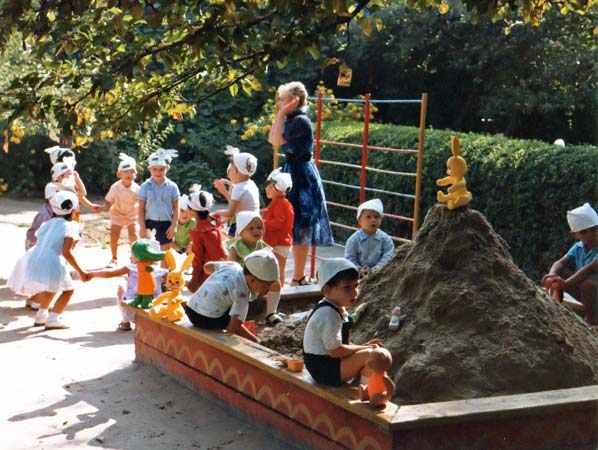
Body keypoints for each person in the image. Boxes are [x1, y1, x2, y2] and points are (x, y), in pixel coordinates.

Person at [268, 81, 334, 286]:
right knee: (291, 222)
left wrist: (280, 114)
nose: (280, 103)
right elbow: (273, 139)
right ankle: (294, 276)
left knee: (302, 223)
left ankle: (298, 276)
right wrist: (281, 113)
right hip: (292, 170)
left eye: (284, 99)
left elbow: (277, 141)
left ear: (295, 101)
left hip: (302, 175)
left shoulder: (300, 121)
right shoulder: (290, 118)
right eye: (280, 99)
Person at [303, 258, 383, 386]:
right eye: (347, 287)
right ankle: (365, 392)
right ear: (328, 290)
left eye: (356, 285)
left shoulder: (337, 309)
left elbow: (341, 344)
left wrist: (362, 346)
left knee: (371, 353)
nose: (355, 292)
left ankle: (362, 387)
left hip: (331, 363)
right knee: (371, 355)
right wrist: (365, 348)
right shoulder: (328, 314)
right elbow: (335, 351)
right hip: (324, 370)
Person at [24, 191, 89, 329]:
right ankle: (53, 318)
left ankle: (41, 316)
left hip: (37, 258)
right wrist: (80, 271)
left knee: (51, 288)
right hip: (53, 262)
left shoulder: (47, 224)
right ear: (74, 209)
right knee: (68, 290)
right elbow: (67, 252)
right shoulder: (71, 227)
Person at [184, 249, 279, 342]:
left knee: (228, 301)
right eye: (265, 286)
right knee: (237, 314)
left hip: (190, 307)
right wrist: (257, 341)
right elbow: (234, 328)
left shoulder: (232, 265)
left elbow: (207, 267)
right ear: (252, 280)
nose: (268, 289)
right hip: (206, 320)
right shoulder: (242, 294)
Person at [543, 202, 598, 325]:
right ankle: (557, 308)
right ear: (574, 235)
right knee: (558, 277)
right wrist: (552, 275)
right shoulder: (578, 247)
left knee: (586, 284)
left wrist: (566, 283)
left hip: (593, 292)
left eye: (594, 229)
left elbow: (590, 269)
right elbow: (561, 262)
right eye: (584, 232)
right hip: (588, 296)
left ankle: (592, 319)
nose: (591, 234)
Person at [226, 211, 283, 324]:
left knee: (276, 283)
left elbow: (271, 264)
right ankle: (231, 315)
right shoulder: (236, 247)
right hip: (243, 280)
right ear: (241, 231)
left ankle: (271, 312)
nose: (256, 231)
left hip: (260, 280)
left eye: (259, 227)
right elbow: (231, 265)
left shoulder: (263, 246)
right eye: (251, 228)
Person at [88, 254, 168, 331]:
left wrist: (91, 274)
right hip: (155, 314)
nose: (130, 257)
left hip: (133, 312)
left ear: (139, 257)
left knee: (121, 287)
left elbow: (108, 273)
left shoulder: (131, 268)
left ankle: (125, 322)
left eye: (132, 255)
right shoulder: (161, 271)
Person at [186, 185, 228, 293]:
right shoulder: (216, 221)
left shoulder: (199, 232)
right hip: (226, 269)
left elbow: (198, 258)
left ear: (193, 211)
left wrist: (194, 279)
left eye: (188, 207)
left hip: (211, 273)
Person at [137, 148, 180, 250]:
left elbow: (176, 207)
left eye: (161, 169)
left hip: (166, 224)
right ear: (149, 169)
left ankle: (164, 267)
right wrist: (142, 227)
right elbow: (141, 208)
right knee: (150, 252)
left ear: (167, 168)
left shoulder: (172, 187)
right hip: (150, 223)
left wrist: (174, 225)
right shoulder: (145, 186)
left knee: (165, 252)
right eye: (155, 169)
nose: (158, 172)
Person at [213, 145, 259, 236]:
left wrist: (216, 212)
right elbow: (238, 207)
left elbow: (230, 213)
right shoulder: (251, 184)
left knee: (237, 249)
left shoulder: (238, 189)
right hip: (256, 225)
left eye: (231, 169)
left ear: (236, 170)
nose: (228, 172)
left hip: (245, 228)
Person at [103, 153, 140, 267]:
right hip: (117, 213)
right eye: (126, 171)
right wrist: (103, 209)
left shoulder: (137, 188)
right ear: (119, 174)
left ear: (136, 174)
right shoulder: (115, 187)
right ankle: (114, 258)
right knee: (114, 234)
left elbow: (141, 202)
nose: (129, 174)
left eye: (132, 171)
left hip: (132, 213)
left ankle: (135, 257)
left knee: (133, 235)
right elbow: (108, 200)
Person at [44, 145, 103, 213]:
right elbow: (54, 204)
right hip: (57, 215)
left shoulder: (70, 181)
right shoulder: (52, 186)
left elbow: (81, 194)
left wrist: (90, 206)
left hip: (71, 213)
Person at [344, 199, 395, 278]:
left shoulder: (385, 239)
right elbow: (349, 257)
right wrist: (358, 269)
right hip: (358, 275)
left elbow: (388, 255)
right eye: (368, 217)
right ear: (360, 221)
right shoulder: (353, 240)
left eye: (376, 217)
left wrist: (377, 269)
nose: (373, 220)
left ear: (381, 220)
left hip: (380, 274)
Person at [262, 168, 294, 287]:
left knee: (277, 270)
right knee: (277, 269)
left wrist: (263, 222)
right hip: (279, 242)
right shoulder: (278, 202)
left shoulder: (281, 203)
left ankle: (278, 291)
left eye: (271, 187)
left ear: (279, 189)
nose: (267, 189)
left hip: (280, 243)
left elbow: (279, 222)